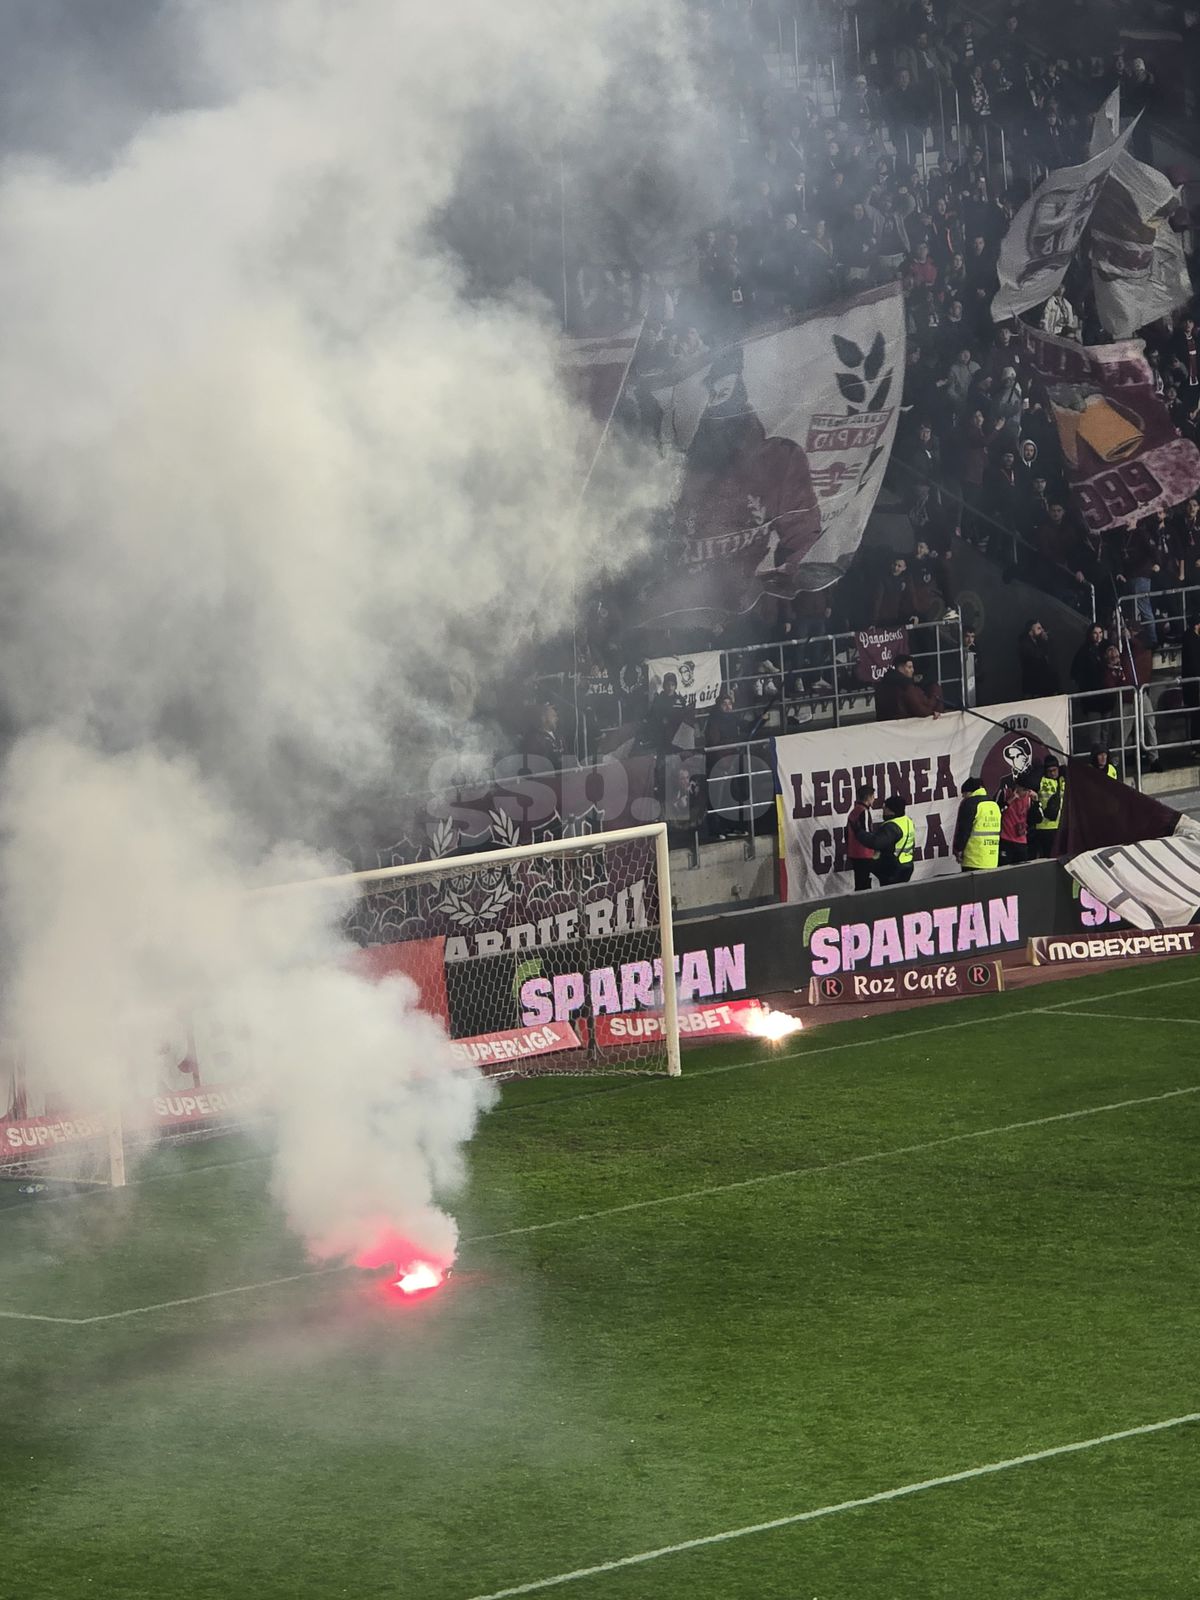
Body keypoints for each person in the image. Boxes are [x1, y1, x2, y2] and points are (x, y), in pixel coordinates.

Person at [853, 793, 916, 886]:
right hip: (907, 864)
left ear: (891, 810)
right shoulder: (907, 821)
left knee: (864, 865)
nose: (883, 810)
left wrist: (859, 832)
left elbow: (876, 843)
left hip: (893, 868)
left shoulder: (892, 827)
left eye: (885, 808)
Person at [874, 654, 944, 720]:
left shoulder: (882, 685)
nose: (912, 670)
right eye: (909, 667)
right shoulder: (906, 686)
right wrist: (935, 698)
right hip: (904, 724)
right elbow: (921, 710)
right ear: (901, 668)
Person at [953, 776, 1002, 871]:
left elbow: (963, 830)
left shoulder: (969, 804)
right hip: (992, 859)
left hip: (973, 858)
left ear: (970, 792)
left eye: (965, 794)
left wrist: (958, 849)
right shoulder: (994, 804)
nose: (963, 797)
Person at [998, 776, 1039, 865]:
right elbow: (997, 811)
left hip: (1021, 840)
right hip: (1006, 839)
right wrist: (1009, 801)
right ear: (1017, 787)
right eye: (1024, 790)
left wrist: (1036, 802)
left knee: (1021, 868)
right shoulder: (1005, 794)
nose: (1026, 793)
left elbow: (1037, 819)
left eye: (1028, 790)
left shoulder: (1029, 798)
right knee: (1004, 867)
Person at [846, 785, 878, 892]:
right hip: (863, 853)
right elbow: (867, 835)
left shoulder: (854, 811)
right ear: (868, 797)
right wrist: (874, 848)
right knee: (864, 883)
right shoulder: (863, 811)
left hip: (854, 852)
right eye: (873, 796)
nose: (874, 799)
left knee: (860, 882)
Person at [1018, 619, 1061, 697]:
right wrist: (1044, 642)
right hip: (1035, 687)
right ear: (1030, 632)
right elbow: (1038, 657)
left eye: (1042, 628)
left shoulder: (1038, 643)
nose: (1042, 630)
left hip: (1044, 685)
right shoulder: (1025, 645)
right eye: (1038, 628)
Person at [1033, 757, 1065, 858]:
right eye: (1049, 771)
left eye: (1055, 770)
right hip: (1044, 827)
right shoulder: (1042, 781)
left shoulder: (1063, 779)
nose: (1052, 773)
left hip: (1060, 826)